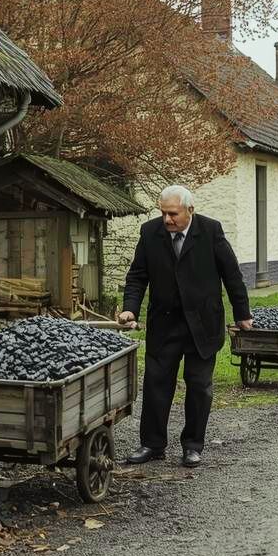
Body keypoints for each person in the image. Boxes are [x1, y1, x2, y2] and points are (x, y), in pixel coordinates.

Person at [117, 185, 250, 469]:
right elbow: (138, 275)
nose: (167, 219)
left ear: (190, 210)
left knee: (199, 386)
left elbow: (232, 275)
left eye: (173, 213)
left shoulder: (211, 231)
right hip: (164, 324)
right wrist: (130, 307)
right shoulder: (150, 232)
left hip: (202, 325)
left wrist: (242, 314)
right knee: (155, 384)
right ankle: (152, 444)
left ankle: (192, 446)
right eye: (163, 213)